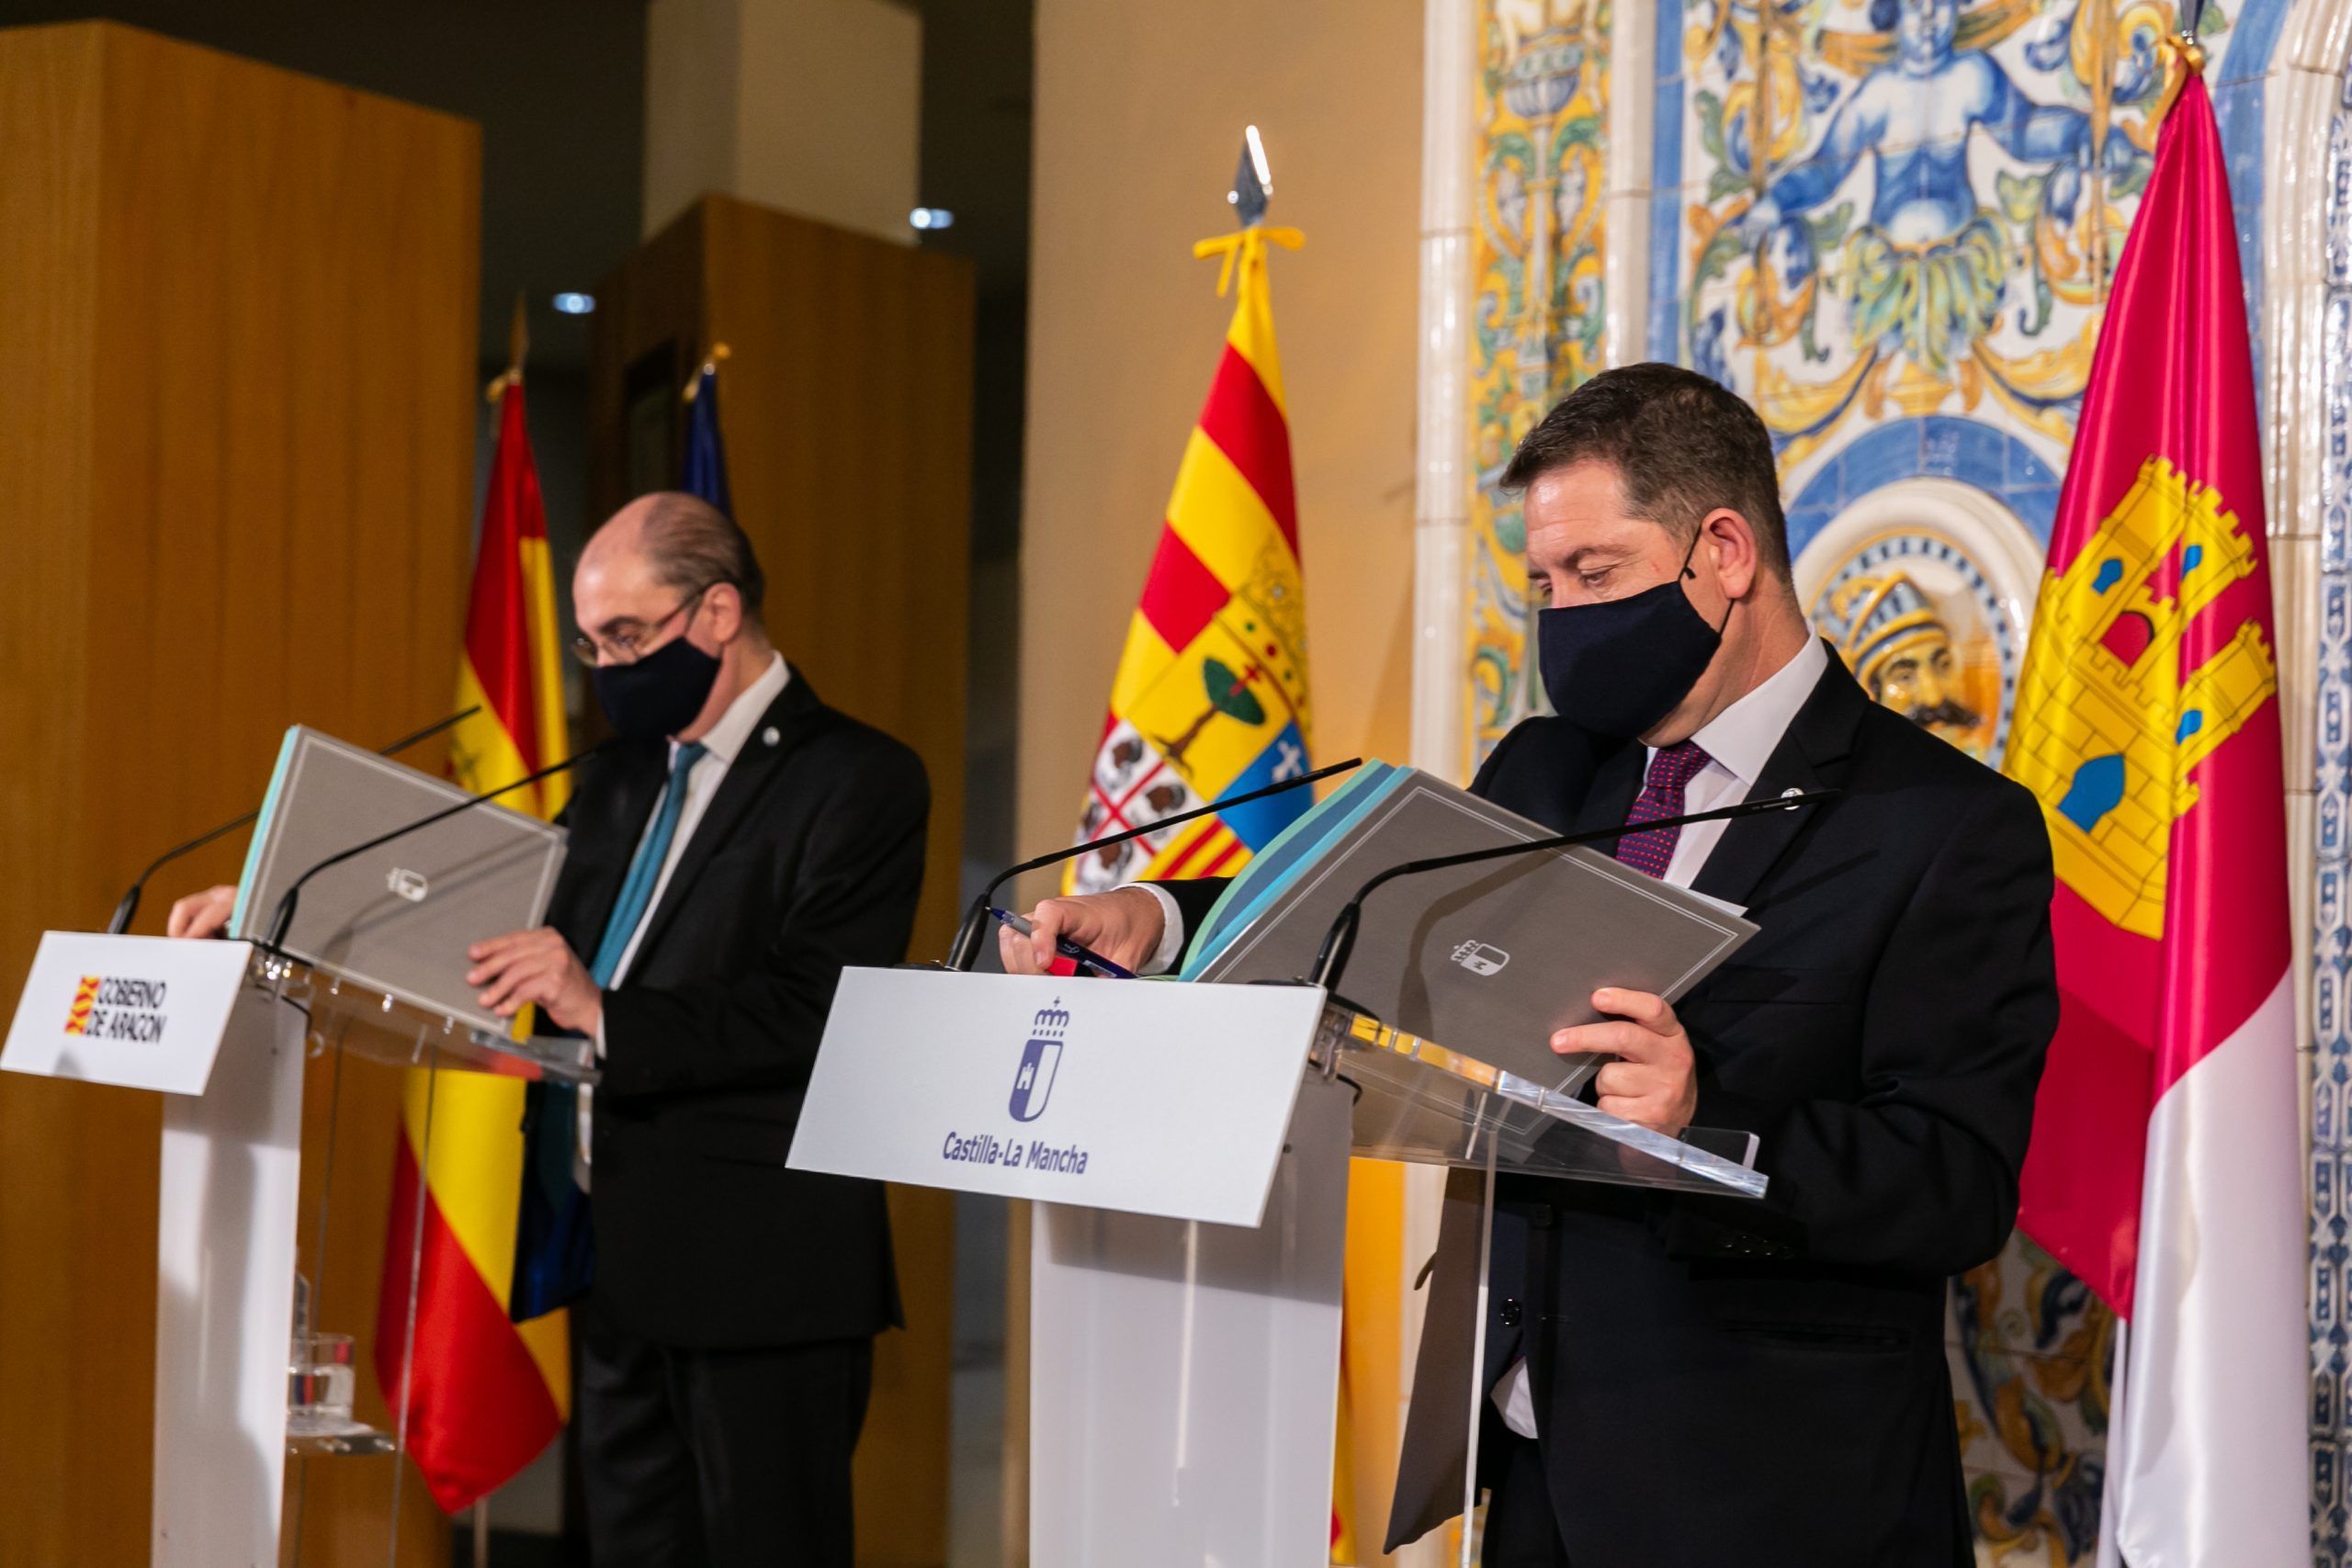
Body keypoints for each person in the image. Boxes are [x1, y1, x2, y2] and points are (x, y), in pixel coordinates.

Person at [1001, 364, 2057, 1566]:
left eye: (1595, 574)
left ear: (1723, 552)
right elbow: (1369, 912)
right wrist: (1157, 917)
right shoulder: (1549, 768)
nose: (1566, 617)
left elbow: (1959, 1182)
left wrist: (1708, 1123)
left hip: (1773, 1495)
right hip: (1533, 1465)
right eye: (1546, 584)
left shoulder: (1941, 824)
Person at [172, 491, 928, 1567]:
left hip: (762, 1275)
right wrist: (273, 909)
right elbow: (481, 925)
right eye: (590, 643)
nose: (607, 667)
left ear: (718, 613)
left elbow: (821, 1007)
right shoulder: (623, 773)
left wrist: (601, 1010)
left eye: (627, 636)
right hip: (614, 1257)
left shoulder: (857, 777)